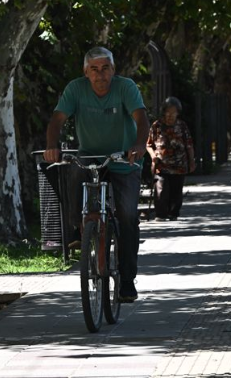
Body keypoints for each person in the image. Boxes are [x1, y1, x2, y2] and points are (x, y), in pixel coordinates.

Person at [44, 46, 150, 303]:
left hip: (123, 157)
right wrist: (52, 146)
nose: (100, 74)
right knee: (73, 176)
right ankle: (81, 231)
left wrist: (138, 144)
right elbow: (57, 119)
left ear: (113, 70)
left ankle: (126, 280)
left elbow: (141, 117)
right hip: (90, 155)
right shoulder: (75, 89)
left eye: (105, 68)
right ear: (86, 72)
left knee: (127, 216)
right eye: (94, 69)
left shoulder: (125, 87)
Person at [146, 97, 196, 221]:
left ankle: (173, 213)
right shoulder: (157, 126)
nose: (170, 115)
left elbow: (189, 144)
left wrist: (192, 161)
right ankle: (161, 214)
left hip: (179, 164)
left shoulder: (182, 126)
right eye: (168, 112)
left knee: (176, 190)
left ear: (178, 113)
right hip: (161, 164)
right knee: (160, 188)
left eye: (173, 113)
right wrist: (153, 157)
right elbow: (148, 144)